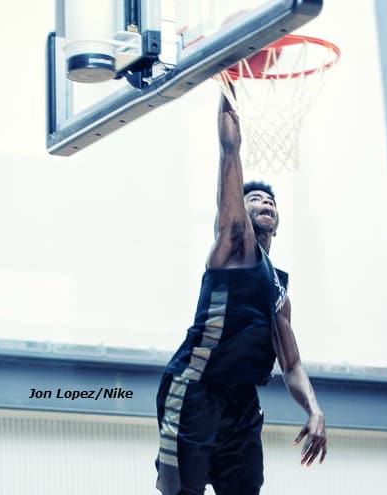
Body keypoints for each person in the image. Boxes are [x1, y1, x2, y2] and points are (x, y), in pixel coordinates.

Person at [154, 93, 327, 495]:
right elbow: (229, 150)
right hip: (196, 386)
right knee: (181, 491)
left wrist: (314, 408)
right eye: (254, 198)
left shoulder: (280, 287)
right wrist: (228, 82)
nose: (265, 201)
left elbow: (292, 364)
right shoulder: (234, 247)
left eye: (271, 200)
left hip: (242, 401)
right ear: (240, 211)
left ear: (277, 221)